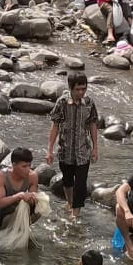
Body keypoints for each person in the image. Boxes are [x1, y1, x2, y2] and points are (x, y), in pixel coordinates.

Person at [47, 72, 100, 218]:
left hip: (83, 150)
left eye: (84, 89)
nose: (81, 92)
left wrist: (95, 148)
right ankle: (70, 203)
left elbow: (93, 125)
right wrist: (49, 150)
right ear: (71, 88)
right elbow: (55, 126)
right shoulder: (62, 102)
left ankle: (75, 214)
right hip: (66, 150)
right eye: (78, 89)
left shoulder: (89, 102)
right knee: (67, 180)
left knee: (81, 184)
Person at [0, 146, 41, 231]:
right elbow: (0, 203)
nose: (28, 169)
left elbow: (32, 202)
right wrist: (19, 196)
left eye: (29, 165)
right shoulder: (1, 176)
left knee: (39, 209)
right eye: (24, 166)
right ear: (14, 165)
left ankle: (19, 231)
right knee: (11, 217)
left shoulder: (32, 176)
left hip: (15, 209)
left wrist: (33, 198)